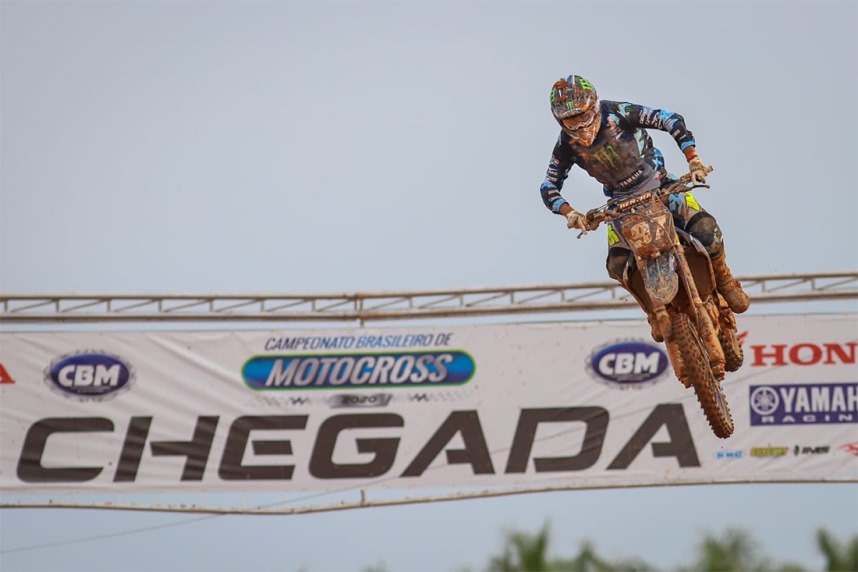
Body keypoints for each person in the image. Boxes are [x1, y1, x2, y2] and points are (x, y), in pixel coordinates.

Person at [540, 75, 749, 337]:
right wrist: (570, 213)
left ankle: (725, 278)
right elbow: (548, 186)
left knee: (705, 227)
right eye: (570, 120)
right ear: (559, 120)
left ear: (593, 105)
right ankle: (654, 311)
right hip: (619, 204)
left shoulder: (617, 112)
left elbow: (669, 119)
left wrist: (693, 160)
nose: (579, 126)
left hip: (661, 185)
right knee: (616, 265)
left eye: (582, 116)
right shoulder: (565, 145)